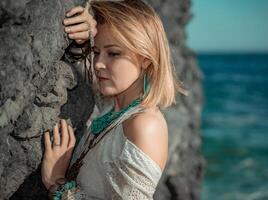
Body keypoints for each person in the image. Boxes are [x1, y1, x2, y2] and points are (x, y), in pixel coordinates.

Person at [41, 0, 188, 199]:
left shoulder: (145, 124)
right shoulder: (112, 109)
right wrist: (87, 20)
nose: (99, 63)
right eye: (96, 52)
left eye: (114, 53)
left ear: (145, 57)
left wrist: (56, 183)